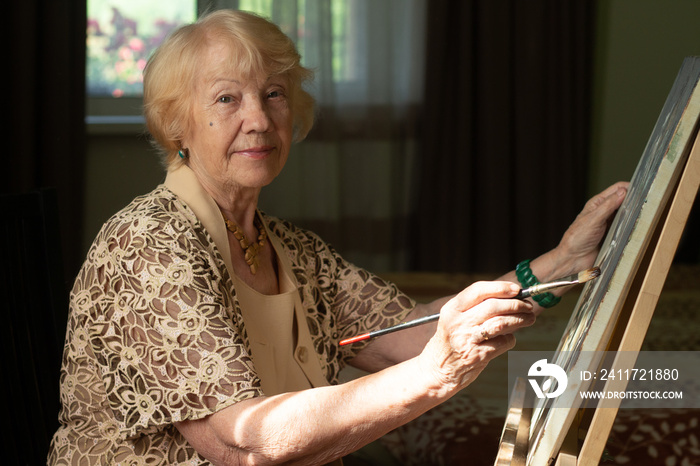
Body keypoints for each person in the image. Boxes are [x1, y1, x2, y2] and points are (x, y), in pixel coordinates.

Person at [48, 9, 628, 465]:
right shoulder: (148, 244)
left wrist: (557, 263)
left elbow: (407, 336)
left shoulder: (289, 248)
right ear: (177, 123)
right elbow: (240, 444)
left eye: (274, 93)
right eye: (227, 98)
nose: (259, 118)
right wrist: (434, 374)